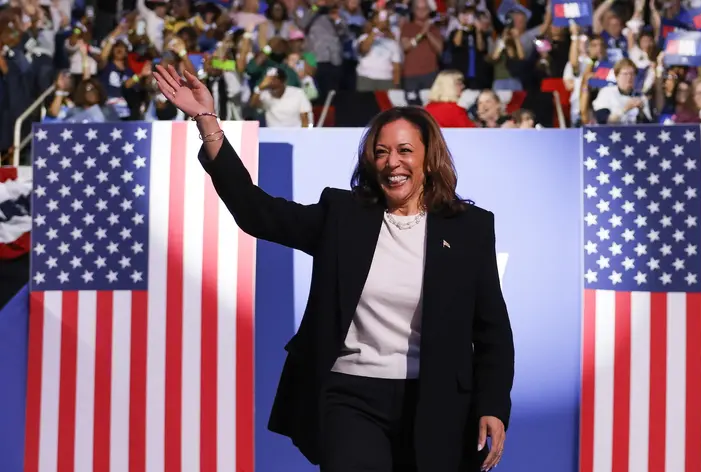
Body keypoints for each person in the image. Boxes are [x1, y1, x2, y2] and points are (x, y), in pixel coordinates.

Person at [152, 64, 514, 472]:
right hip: (350, 396)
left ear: (429, 159)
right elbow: (258, 212)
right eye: (381, 152)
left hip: (438, 401)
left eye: (405, 150)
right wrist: (207, 122)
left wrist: (494, 405)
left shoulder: (470, 227)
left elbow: (492, 331)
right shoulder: (343, 215)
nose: (391, 162)